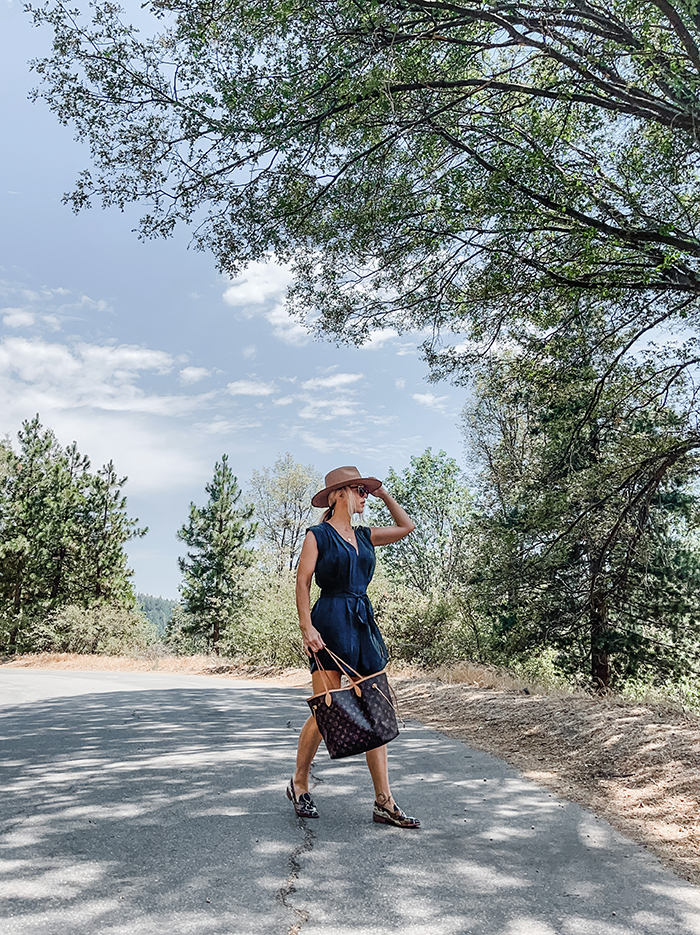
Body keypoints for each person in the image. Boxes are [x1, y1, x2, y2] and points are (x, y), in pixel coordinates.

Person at [286, 465, 420, 829]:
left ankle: (384, 801)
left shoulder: (365, 535)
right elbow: (302, 582)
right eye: (359, 491)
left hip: (362, 622)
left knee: (375, 708)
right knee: (325, 709)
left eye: (365, 491)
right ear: (338, 495)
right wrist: (306, 626)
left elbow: (406, 527)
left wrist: (383, 494)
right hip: (329, 620)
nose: (364, 496)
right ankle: (299, 783)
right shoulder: (318, 536)